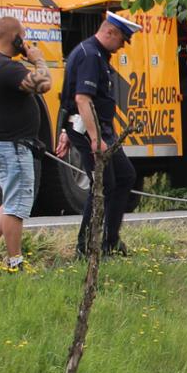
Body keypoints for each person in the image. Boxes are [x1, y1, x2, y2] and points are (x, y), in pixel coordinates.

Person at [0, 17, 52, 271]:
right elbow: (44, 84)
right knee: (17, 206)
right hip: (11, 145)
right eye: (23, 37)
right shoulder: (6, 68)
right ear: (15, 38)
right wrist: (37, 58)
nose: (25, 42)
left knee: (10, 197)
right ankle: (15, 262)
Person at [57, 13, 141, 257]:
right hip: (89, 130)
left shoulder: (95, 53)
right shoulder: (90, 56)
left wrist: (65, 130)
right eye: (122, 40)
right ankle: (86, 246)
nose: (123, 46)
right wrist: (96, 140)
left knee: (125, 176)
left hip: (98, 128)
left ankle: (110, 240)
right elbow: (82, 99)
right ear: (110, 33)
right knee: (103, 184)